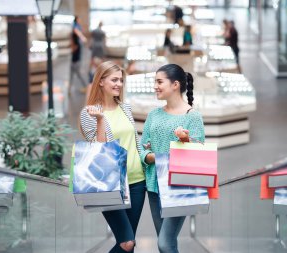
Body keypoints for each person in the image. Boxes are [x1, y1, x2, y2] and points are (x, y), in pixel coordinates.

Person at [79, 61, 146, 252]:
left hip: (137, 181)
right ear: (100, 81)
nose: (119, 84)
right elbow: (100, 150)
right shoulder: (89, 113)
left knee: (128, 243)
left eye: (121, 80)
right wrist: (100, 119)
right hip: (110, 183)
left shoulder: (125, 108)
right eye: (114, 80)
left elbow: (133, 140)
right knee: (127, 243)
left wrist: (144, 150)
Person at [140, 64, 205, 253]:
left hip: (180, 187)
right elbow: (142, 151)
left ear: (175, 84)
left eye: (159, 82)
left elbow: (198, 154)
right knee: (166, 244)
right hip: (154, 186)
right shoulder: (153, 115)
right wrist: (156, 157)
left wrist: (185, 140)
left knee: (164, 243)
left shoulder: (192, 117)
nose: (155, 86)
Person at [70, 16, 88, 94]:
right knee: (73, 74)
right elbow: (77, 31)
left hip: (76, 59)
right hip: (75, 58)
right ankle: (69, 89)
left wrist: (82, 37)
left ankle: (85, 86)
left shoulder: (76, 42)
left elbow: (78, 32)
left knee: (77, 73)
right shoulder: (75, 26)